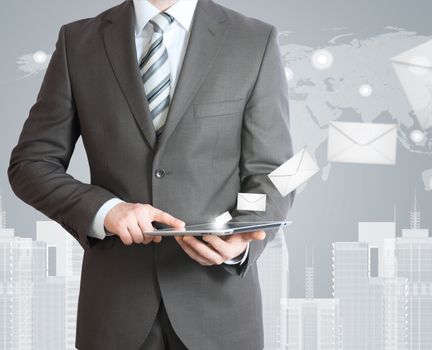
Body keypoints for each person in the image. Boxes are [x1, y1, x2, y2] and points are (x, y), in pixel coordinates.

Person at [7, 0, 294, 348]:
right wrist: (105, 210)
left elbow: (276, 171)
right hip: (114, 313)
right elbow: (32, 164)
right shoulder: (78, 41)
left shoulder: (254, 40)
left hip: (220, 315)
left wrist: (242, 229)